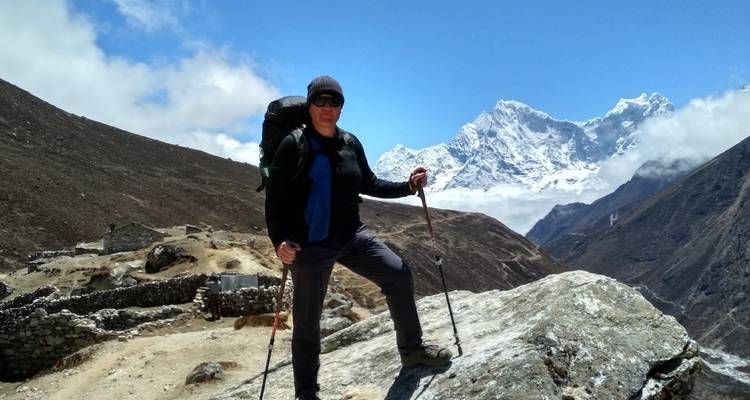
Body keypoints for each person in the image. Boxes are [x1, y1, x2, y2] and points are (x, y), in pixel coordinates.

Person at [265, 76, 452, 400]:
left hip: (352, 236)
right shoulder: (293, 145)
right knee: (307, 323)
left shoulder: (350, 144)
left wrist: (408, 187)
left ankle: (412, 351)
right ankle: (306, 394)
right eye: (320, 102)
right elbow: (275, 200)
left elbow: (369, 182)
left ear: (341, 107)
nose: (327, 108)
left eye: (333, 102)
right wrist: (280, 242)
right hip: (309, 246)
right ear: (310, 106)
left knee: (398, 274)